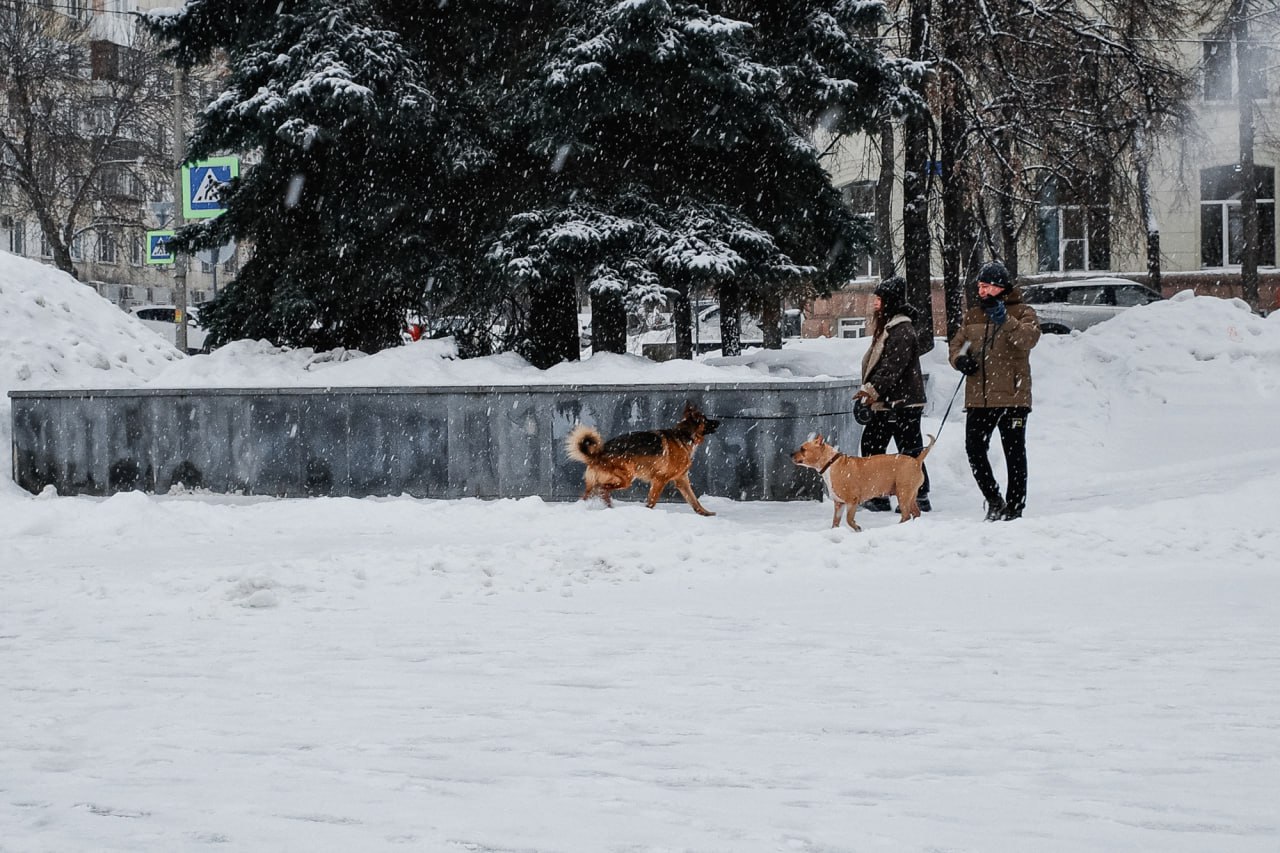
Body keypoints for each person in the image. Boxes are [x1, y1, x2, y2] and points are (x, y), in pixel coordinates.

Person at [949, 260, 1041, 521]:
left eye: (987, 287)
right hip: (979, 397)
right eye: (979, 287)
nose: (982, 292)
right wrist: (960, 360)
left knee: (1014, 452)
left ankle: (1015, 506)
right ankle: (994, 499)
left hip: (1013, 395)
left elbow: (1028, 340)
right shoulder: (973, 316)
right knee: (974, 449)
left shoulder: (1023, 312)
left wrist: (1005, 319)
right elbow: (957, 346)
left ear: (1001, 288)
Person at [856, 275, 931, 513]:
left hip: (898, 403)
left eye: (879, 299)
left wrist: (871, 391)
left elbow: (891, 368)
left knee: (899, 448)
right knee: (904, 447)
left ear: (890, 302)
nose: (875, 304)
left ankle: (913, 494)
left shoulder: (901, 330)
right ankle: (905, 493)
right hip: (894, 402)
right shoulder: (893, 328)